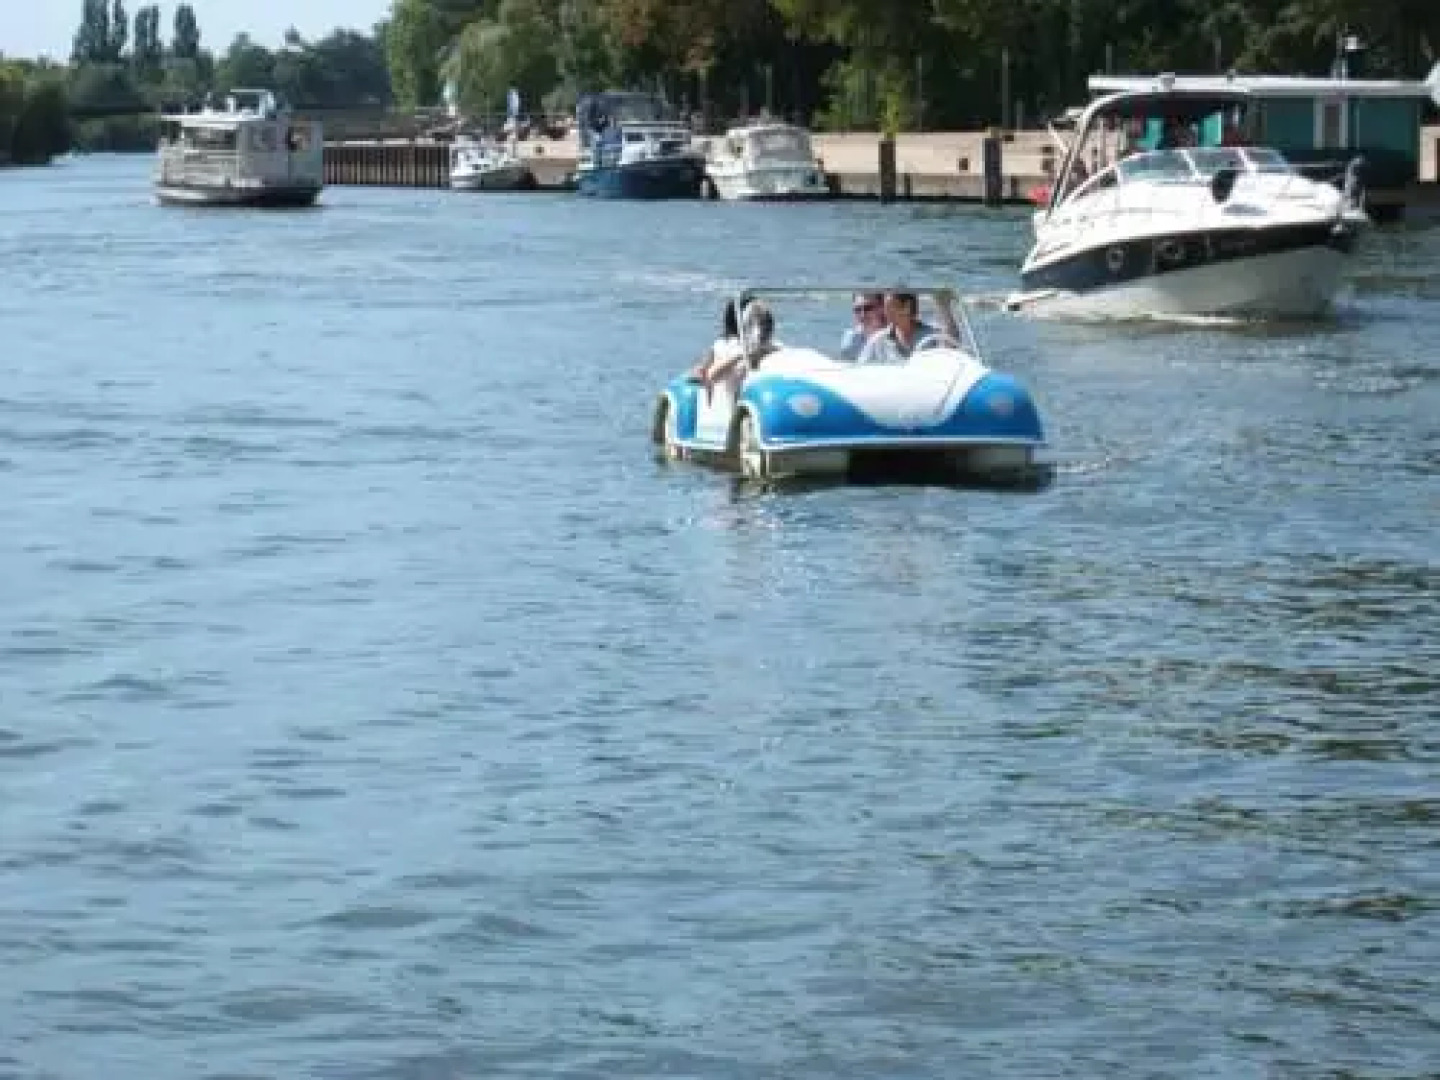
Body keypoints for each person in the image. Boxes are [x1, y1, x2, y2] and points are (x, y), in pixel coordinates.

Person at [859, 289, 962, 363]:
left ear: (907, 307)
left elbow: (952, 350)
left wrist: (944, 307)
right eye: (885, 308)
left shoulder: (932, 336)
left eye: (890, 307)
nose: (885, 312)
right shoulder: (878, 340)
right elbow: (861, 370)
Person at [699, 300, 781, 391]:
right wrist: (742, 355)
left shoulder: (776, 347)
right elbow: (712, 375)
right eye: (760, 324)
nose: (763, 330)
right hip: (732, 400)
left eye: (766, 324)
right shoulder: (727, 347)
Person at [839, 292, 886, 361]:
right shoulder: (851, 338)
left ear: (882, 308)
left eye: (868, 308)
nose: (862, 315)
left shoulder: (893, 336)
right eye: (858, 309)